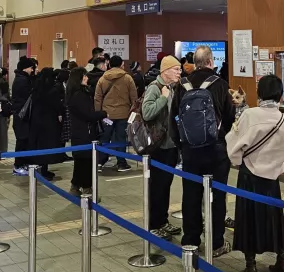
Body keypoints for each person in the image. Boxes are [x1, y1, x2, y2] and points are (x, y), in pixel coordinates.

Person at [170, 45, 236, 258]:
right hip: (216, 150)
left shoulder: (181, 85)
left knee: (191, 195)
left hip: (190, 151)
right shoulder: (220, 84)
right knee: (217, 196)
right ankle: (216, 242)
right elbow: (229, 118)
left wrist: (182, 146)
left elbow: (174, 120)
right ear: (210, 61)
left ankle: (190, 241)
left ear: (195, 63)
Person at [226, 74, 284, 272]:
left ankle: (251, 265)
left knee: (248, 217)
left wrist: (237, 160)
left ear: (259, 93)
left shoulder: (250, 115)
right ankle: (282, 260)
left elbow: (234, 142)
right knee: (274, 216)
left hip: (249, 174)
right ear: (280, 95)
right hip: (272, 177)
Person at [141, 55, 183, 239]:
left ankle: (162, 221)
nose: (179, 72)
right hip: (158, 147)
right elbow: (147, 112)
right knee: (157, 187)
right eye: (176, 69)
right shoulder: (155, 88)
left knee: (165, 185)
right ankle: (153, 224)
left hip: (170, 145)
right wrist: (163, 99)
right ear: (165, 71)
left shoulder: (172, 87)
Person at [67, 66, 107, 195]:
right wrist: (103, 114)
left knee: (80, 161)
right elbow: (87, 115)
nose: (86, 78)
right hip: (85, 133)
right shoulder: (79, 95)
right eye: (84, 76)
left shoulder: (77, 93)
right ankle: (87, 189)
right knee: (86, 162)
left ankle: (75, 186)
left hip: (80, 133)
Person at [94, 55, 137, 171]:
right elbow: (134, 98)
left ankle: (100, 162)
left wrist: (99, 113)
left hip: (106, 115)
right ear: (121, 64)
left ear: (109, 65)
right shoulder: (128, 78)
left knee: (105, 138)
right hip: (123, 114)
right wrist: (133, 113)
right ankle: (121, 163)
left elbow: (97, 98)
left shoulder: (102, 79)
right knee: (121, 138)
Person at [29, 67, 62, 179]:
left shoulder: (36, 88)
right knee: (47, 146)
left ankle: (39, 168)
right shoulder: (53, 90)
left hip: (36, 120)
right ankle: (44, 170)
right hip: (48, 121)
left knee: (39, 145)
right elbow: (57, 105)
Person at [11, 56, 36, 176]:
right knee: (21, 141)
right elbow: (26, 99)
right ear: (26, 68)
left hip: (22, 115)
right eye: (31, 68)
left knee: (24, 141)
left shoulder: (22, 78)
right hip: (22, 116)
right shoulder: (22, 81)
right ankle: (18, 165)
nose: (32, 70)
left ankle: (23, 163)